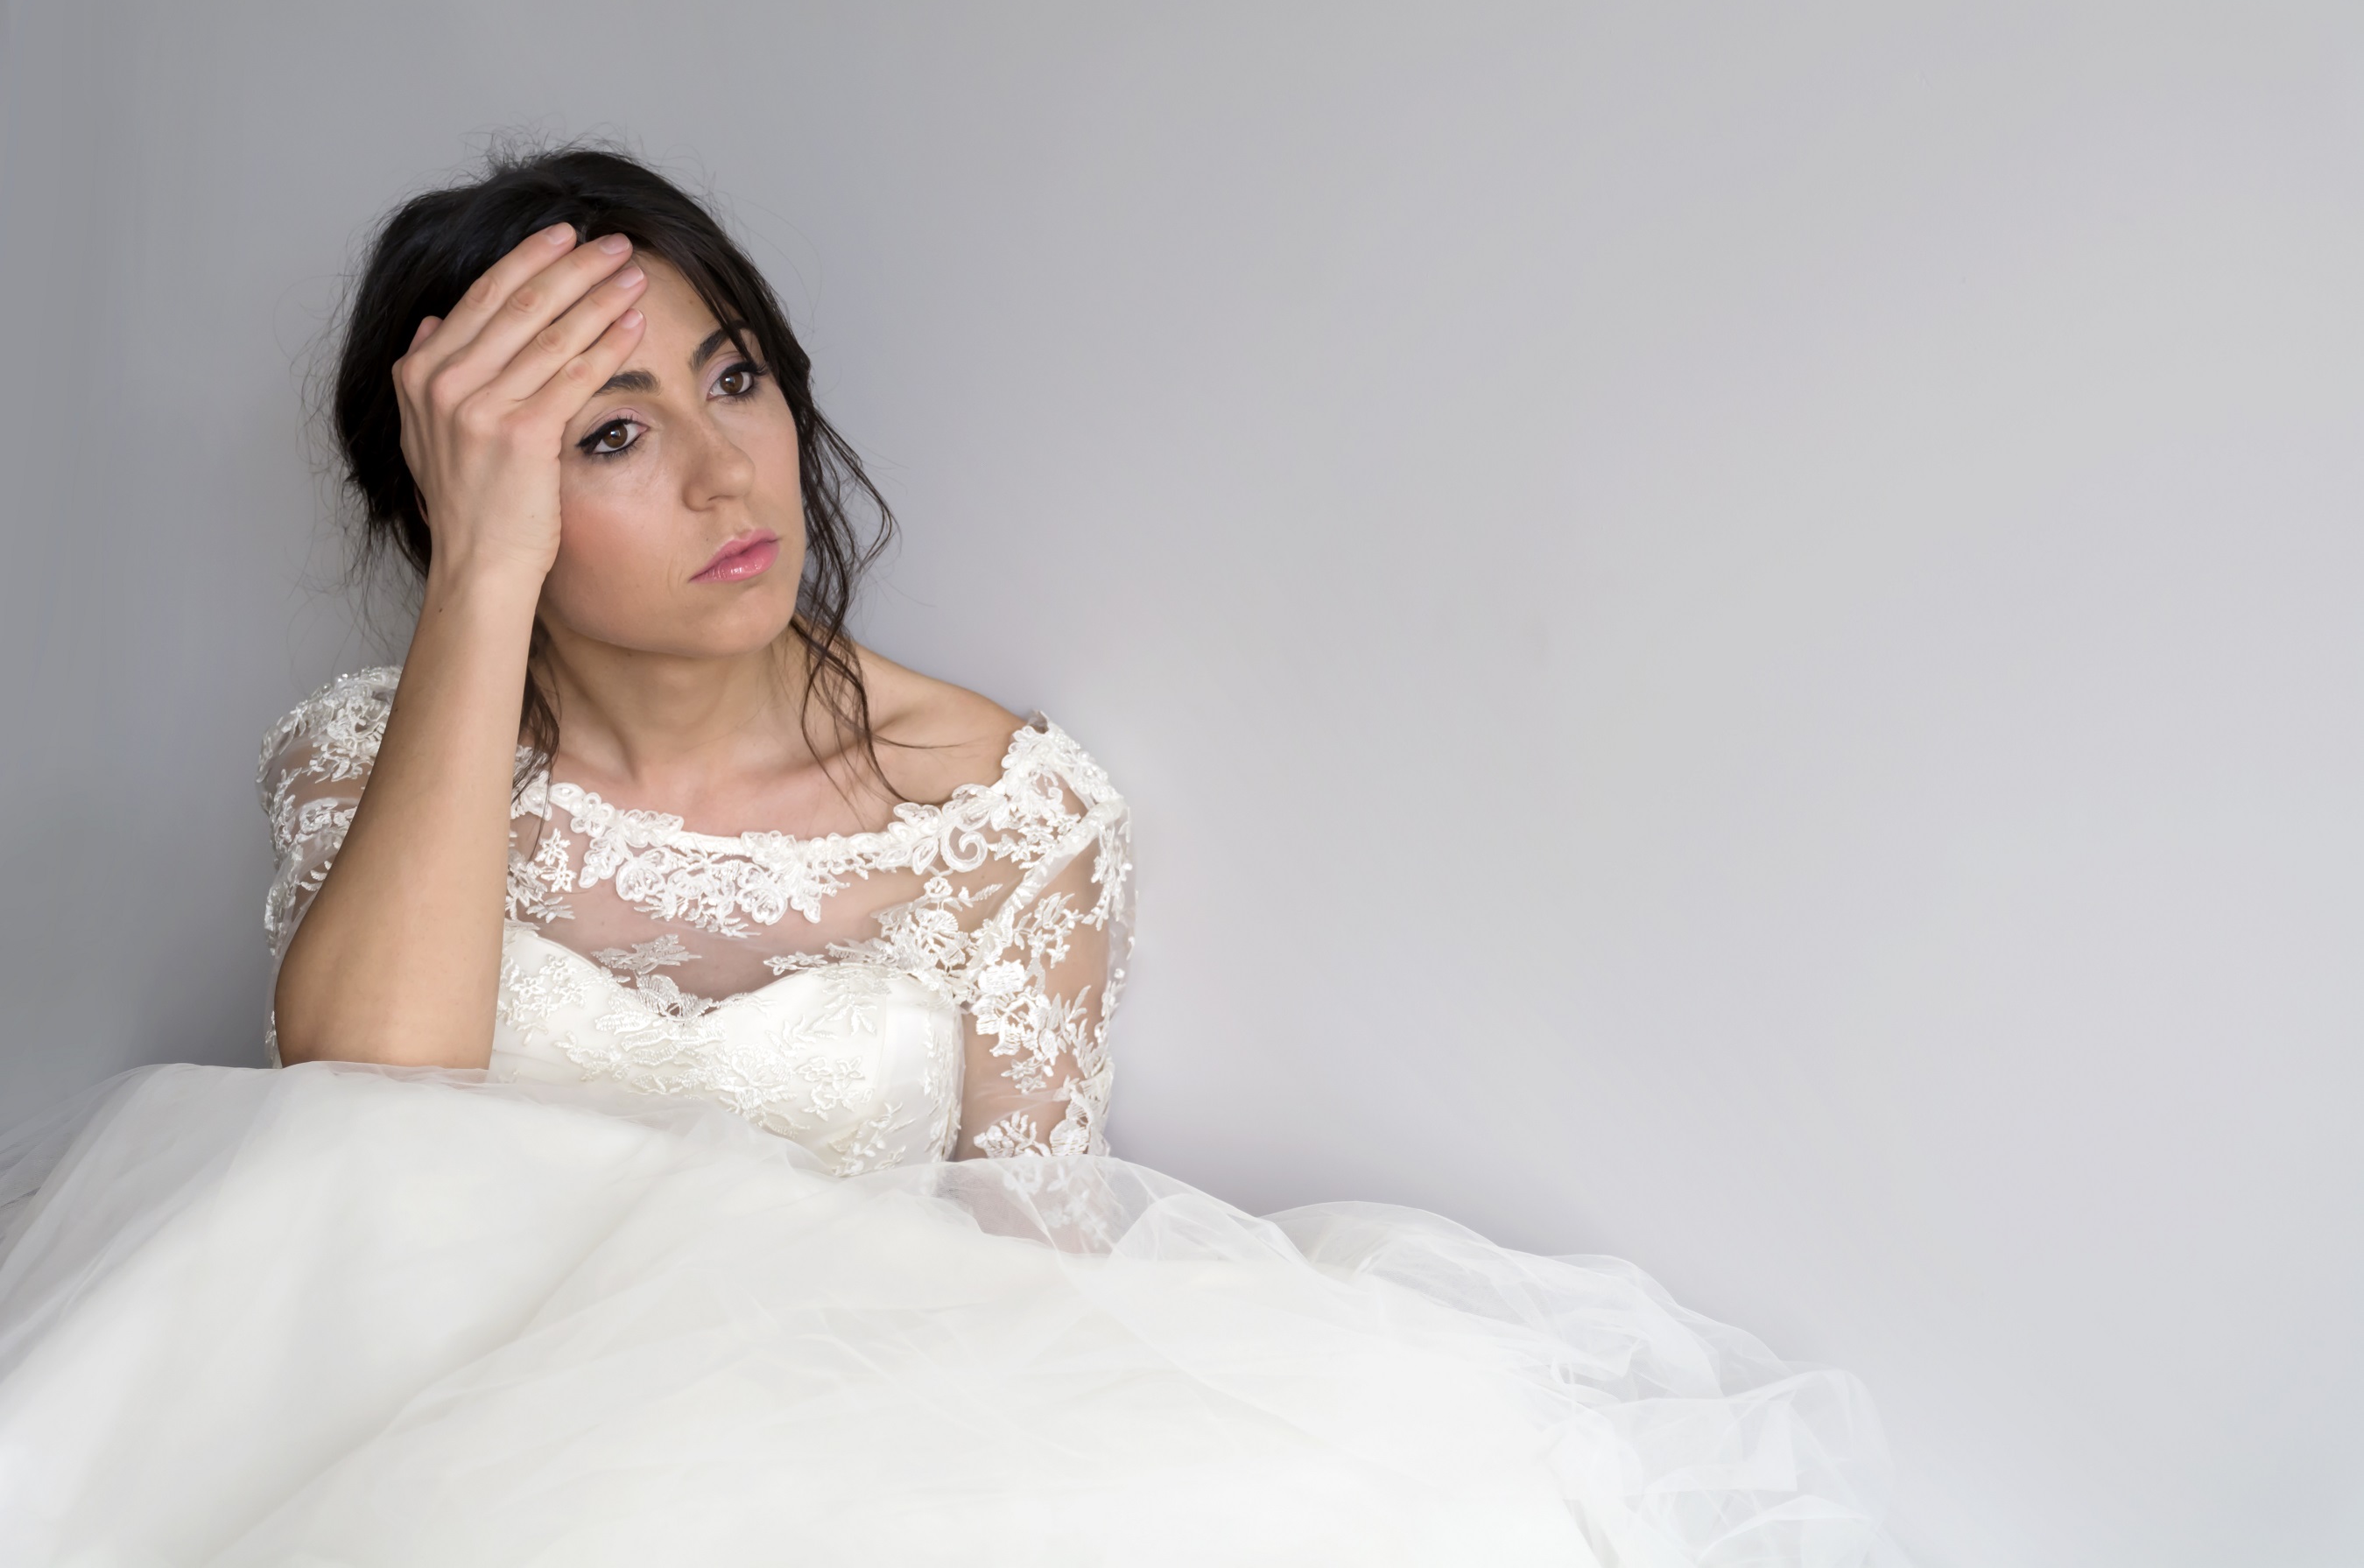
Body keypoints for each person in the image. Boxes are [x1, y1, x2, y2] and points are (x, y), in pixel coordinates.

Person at [0, 148, 1895, 1565]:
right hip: (408, 1456)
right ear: (471, 490)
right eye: (608, 433)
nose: (734, 480)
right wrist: (482, 568)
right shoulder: (369, 762)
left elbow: (1032, 1274)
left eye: (734, 379)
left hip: (834, 1476)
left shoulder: (1008, 811)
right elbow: (349, 1125)